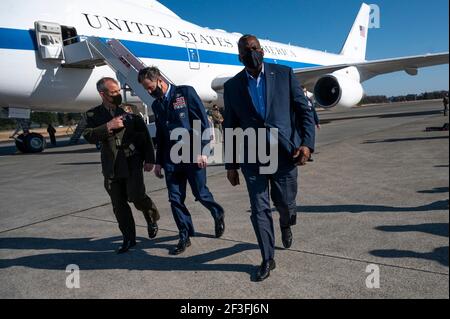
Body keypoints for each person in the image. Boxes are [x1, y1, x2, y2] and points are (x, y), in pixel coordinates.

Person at [224, 35, 315, 282]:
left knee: (285, 201)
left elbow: (303, 112)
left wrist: (307, 143)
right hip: (252, 156)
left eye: (254, 48)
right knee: (259, 208)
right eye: (246, 51)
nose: (251, 53)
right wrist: (231, 165)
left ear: (261, 50)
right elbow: (231, 126)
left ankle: (286, 223)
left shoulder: (284, 74)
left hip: (284, 152)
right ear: (239, 56)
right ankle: (267, 257)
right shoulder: (232, 86)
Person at [138, 67, 225, 255]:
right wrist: (159, 161)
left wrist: (203, 150)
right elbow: (161, 136)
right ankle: (184, 234)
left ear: (160, 80)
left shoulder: (185, 93)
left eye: (150, 87)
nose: (149, 92)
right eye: (146, 89)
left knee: (201, 194)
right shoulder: (156, 105)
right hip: (171, 159)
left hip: (193, 155)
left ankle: (217, 213)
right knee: (175, 199)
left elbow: (202, 121)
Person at [83, 77, 160, 254]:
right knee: (119, 205)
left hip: (132, 162)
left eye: (118, 91)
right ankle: (129, 238)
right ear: (102, 94)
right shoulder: (92, 115)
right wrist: (108, 126)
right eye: (113, 92)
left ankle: (151, 217)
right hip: (111, 166)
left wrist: (150, 158)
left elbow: (144, 137)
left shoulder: (130, 110)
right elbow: (88, 135)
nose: (118, 94)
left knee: (136, 196)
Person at [302, 86, 320, 162]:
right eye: (303, 91)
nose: (304, 93)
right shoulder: (299, 100)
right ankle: (303, 155)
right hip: (303, 123)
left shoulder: (309, 100)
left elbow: (314, 112)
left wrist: (317, 122)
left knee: (310, 139)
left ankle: (308, 155)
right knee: (304, 139)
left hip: (311, 123)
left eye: (305, 91)